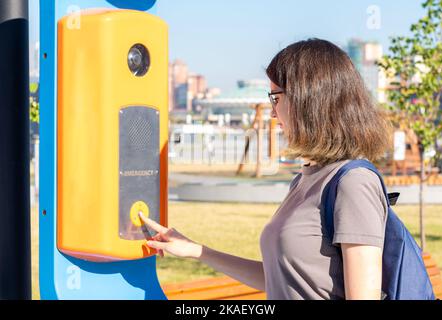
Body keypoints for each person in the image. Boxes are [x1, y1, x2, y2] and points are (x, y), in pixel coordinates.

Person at [139, 38, 393, 300]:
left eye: (275, 98)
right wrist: (196, 250)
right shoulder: (306, 180)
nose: (272, 112)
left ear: (309, 99)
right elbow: (281, 276)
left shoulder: (354, 183)